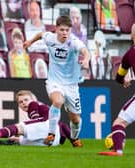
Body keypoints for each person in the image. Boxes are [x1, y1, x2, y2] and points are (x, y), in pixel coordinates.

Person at [24, 15, 91, 147]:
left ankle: (75, 138)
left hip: (71, 86)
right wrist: (30, 42)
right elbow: (40, 34)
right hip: (55, 82)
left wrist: (86, 60)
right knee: (58, 101)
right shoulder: (50, 38)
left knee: (76, 120)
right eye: (62, 30)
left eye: (67, 30)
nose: (65, 33)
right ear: (56, 29)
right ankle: (51, 134)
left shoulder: (74, 42)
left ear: (70, 30)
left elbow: (85, 51)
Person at [0, 90, 76, 147]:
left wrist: (20, 130)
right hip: (54, 140)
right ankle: (11, 142)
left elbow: (35, 119)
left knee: (19, 127)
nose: (24, 103)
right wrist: (76, 143)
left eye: (26, 100)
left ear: (33, 99)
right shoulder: (49, 111)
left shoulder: (34, 104)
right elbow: (64, 126)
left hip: (46, 128)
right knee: (22, 141)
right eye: (20, 102)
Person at [98, 23, 135, 156]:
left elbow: (119, 77)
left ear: (131, 36)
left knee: (119, 123)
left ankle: (118, 150)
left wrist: (124, 81)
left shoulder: (129, 55)